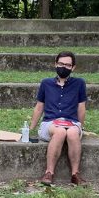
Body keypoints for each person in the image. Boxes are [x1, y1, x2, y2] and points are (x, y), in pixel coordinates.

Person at [29, 51, 87, 186]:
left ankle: (75, 174)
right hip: (50, 123)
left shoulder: (79, 83)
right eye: (61, 64)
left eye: (68, 65)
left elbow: (81, 108)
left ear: (73, 68)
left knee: (72, 132)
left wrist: (80, 127)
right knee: (60, 131)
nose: (64, 67)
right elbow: (39, 107)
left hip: (72, 122)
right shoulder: (46, 83)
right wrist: (31, 128)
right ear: (55, 64)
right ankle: (49, 173)